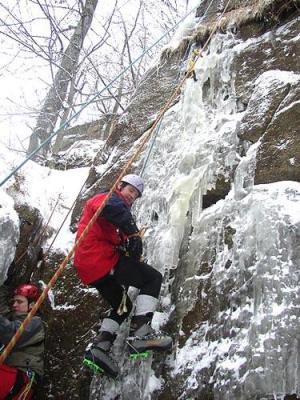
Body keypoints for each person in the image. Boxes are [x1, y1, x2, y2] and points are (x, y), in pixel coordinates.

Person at [74, 174, 172, 377]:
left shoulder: (114, 223)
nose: (132, 197)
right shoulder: (106, 197)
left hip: (92, 269)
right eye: (130, 191)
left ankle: (100, 348)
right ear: (120, 186)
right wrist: (134, 234)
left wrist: (128, 246)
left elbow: (117, 231)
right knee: (152, 278)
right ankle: (141, 334)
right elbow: (112, 207)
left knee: (123, 306)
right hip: (99, 259)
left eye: (135, 195)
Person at [0, 283, 45, 399]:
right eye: (14, 302)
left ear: (32, 305)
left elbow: (11, 333)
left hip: (22, 377)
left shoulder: (35, 323)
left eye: (19, 302)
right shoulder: (11, 318)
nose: (14, 305)